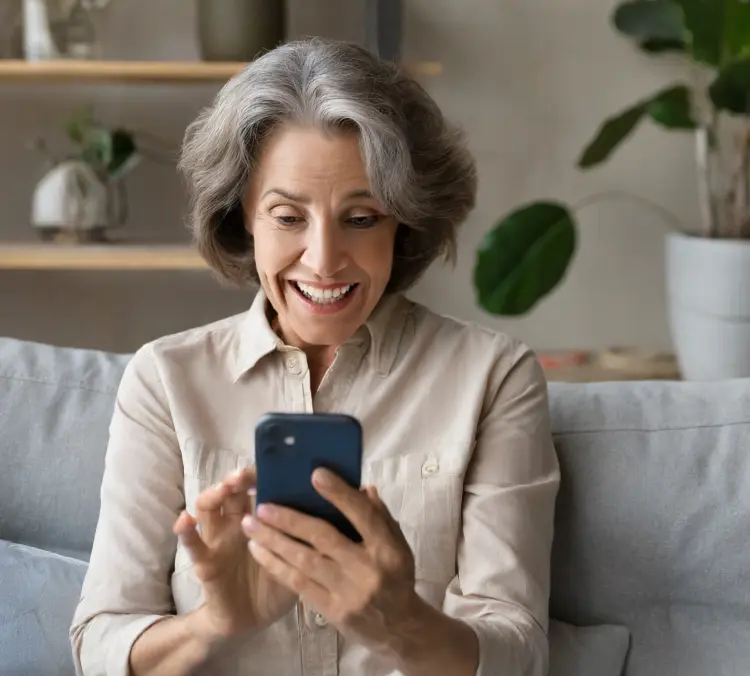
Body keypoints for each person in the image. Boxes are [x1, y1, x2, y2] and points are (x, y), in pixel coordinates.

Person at [70, 37, 559, 676]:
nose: (324, 260)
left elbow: (519, 649)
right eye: (287, 217)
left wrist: (403, 622)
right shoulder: (166, 380)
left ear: (403, 222)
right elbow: (100, 642)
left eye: (360, 218)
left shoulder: (493, 377)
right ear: (243, 213)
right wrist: (215, 622)